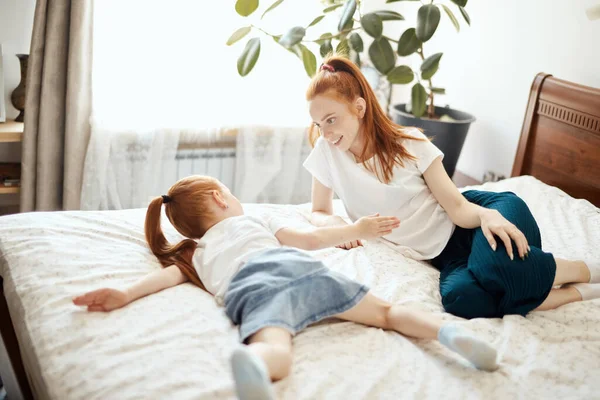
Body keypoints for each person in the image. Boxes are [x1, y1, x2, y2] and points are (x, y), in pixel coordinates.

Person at [74, 175, 499, 400]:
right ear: (222, 200)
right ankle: (449, 334)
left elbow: (164, 278)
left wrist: (125, 294)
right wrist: (359, 228)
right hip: (293, 267)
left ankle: (258, 365)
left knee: (276, 343)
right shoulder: (253, 220)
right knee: (387, 313)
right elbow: (311, 240)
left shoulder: (194, 253)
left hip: (249, 287)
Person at [303, 55, 600, 319]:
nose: (326, 133)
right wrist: (343, 226)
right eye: (319, 124)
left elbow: (458, 208)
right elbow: (318, 210)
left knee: (495, 270)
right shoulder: (327, 154)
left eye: (331, 120)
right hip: (445, 256)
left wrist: (488, 216)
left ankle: (583, 269)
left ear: (359, 107)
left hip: (479, 215)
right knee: (463, 301)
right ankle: (579, 293)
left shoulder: (409, 143)